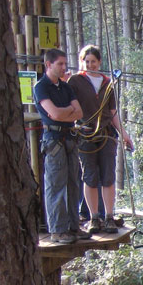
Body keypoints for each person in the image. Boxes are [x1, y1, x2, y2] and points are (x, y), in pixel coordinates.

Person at [68, 45, 133, 234]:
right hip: (85, 133)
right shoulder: (75, 81)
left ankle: (109, 217)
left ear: (99, 63)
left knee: (108, 176)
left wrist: (124, 134)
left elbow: (113, 113)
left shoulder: (108, 83)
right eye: (86, 62)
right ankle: (94, 217)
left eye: (93, 62)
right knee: (90, 176)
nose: (90, 65)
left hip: (106, 134)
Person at [35, 49, 89, 244]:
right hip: (54, 140)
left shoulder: (66, 88)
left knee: (74, 182)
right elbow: (55, 115)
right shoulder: (41, 87)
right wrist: (68, 111)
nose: (64, 68)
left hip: (69, 138)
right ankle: (57, 230)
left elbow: (79, 112)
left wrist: (64, 112)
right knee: (56, 185)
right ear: (48, 65)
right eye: (60, 64)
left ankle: (74, 226)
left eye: (65, 64)